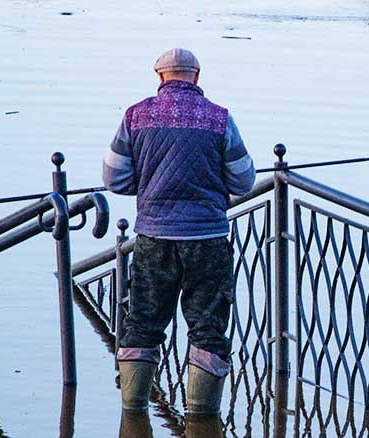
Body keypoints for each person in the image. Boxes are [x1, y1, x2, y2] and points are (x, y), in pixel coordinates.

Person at [102, 48, 255, 413]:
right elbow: (244, 179)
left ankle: (133, 412)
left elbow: (114, 178)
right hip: (208, 239)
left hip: (154, 237)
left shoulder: (135, 116)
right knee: (207, 327)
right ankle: (202, 420)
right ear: (196, 78)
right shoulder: (219, 119)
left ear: (159, 78)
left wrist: (150, 182)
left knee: (142, 322)